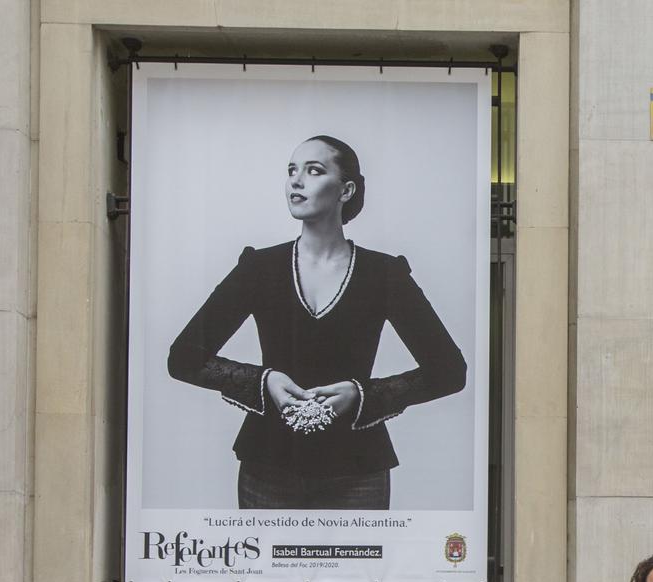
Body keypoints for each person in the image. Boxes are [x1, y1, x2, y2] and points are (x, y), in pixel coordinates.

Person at [167, 134, 466, 509]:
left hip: (358, 471)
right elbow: (183, 358)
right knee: (269, 570)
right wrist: (265, 381)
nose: (296, 180)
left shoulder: (384, 274)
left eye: (314, 170)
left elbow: (450, 370)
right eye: (292, 170)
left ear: (346, 190)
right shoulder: (259, 268)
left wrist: (361, 395)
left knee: (358, 570)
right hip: (268, 465)